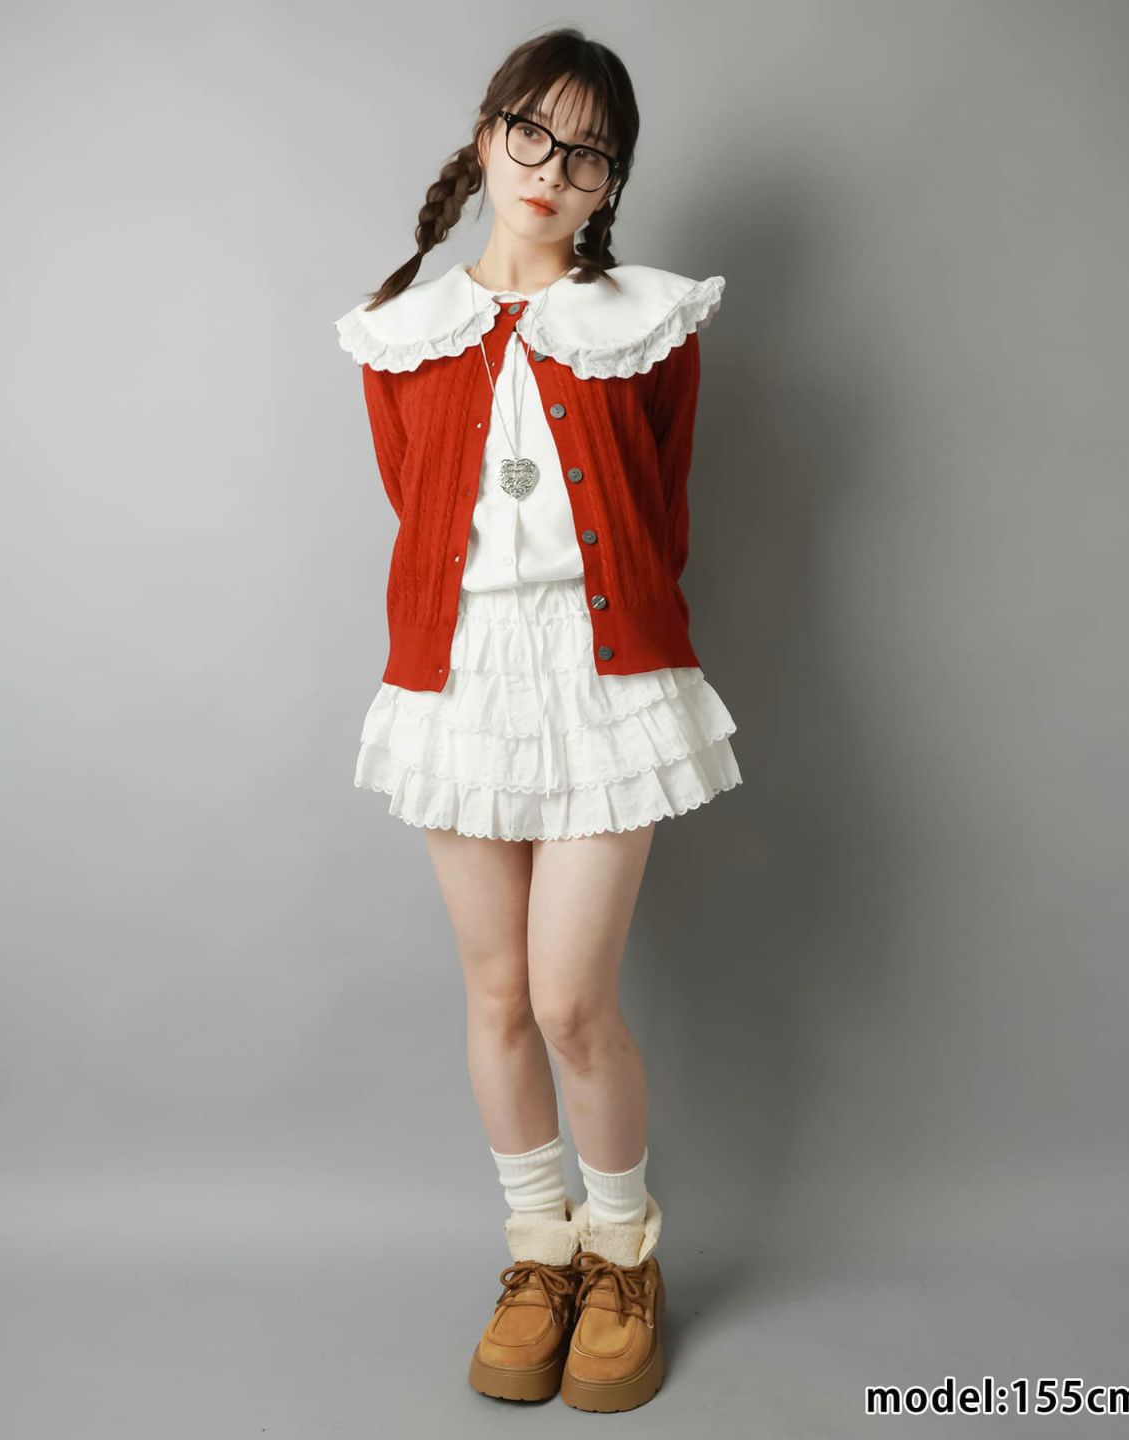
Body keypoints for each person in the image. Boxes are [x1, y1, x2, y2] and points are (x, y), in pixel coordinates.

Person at [333, 27, 741, 1413]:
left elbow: (662, 513)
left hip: (603, 674)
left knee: (572, 1001)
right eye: (533, 134)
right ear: (487, 129)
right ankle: (538, 1255)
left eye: (589, 155)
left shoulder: (650, 324)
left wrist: (592, 624)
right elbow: (415, 503)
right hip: (459, 680)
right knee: (500, 996)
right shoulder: (402, 333)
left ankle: (622, 1255)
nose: (552, 171)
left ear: (610, 184)